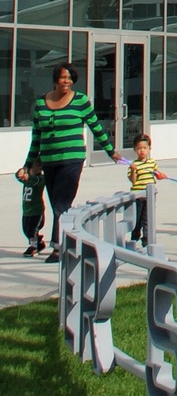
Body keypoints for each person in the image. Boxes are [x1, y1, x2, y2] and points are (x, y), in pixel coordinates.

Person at [24, 62, 121, 263]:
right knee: (57, 205)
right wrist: (28, 164)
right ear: (55, 80)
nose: (66, 81)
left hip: (72, 160)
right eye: (62, 77)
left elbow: (96, 127)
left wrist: (111, 151)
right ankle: (66, 242)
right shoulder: (41, 103)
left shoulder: (80, 101)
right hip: (49, 161)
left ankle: (58, 248)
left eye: (69, 78)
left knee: (61, 204)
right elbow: (36, 137)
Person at [127, 133, 165, 247]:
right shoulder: (134, 164)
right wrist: (133, 170)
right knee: (136, 219)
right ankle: (134, 238)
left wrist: (160, 175)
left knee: (147, 220)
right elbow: (133, 181)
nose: (142, 151)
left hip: (149, 196)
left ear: (149, 149)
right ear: (135, 149)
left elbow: (156, 174)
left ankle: (147, 241)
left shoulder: (152, 162)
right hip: (138, 196)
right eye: (139, 148)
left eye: (144, 148)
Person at [16, 160, 46, 257]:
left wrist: (28, 177)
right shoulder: (27, 179)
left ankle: (34, 246)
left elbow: (35, 181)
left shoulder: (40, 179)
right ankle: (39, 242)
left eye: (31, 167)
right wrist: (20, 173)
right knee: (26, 230)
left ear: (39, 168)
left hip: (36, 211)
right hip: (26, 211)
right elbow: (18, 177)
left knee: (31, 230)